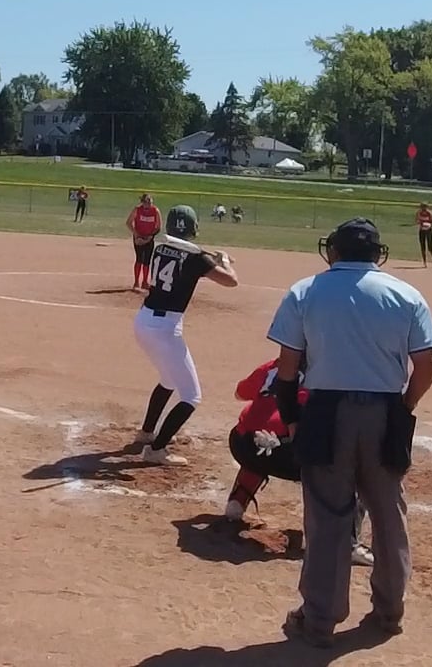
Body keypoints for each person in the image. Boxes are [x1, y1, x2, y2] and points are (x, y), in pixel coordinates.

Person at [267, 217, 432, 648]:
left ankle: (320, 620)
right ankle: (389, 611)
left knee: (328, 518)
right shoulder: (407, 294)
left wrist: (292, 418)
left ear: (334, 251)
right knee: (389, 515)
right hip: (385, 409)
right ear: (377, 254)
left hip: (326, 412)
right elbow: (425, 368)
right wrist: (402, 409)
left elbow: (287, 368)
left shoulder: (305, 291)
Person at [223, 355, 374, 567]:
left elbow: (240, 393)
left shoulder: (274, 366)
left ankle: (237, 502)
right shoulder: (328, 371)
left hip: (241, 444)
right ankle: (348, 544)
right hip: (287, 453)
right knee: (354, 467)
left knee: (260, 441)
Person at [133, 205, 239, 464]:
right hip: (165, 328)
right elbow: (231, 281)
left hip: (144, 321)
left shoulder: (160, 248)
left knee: (168, 379)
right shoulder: (197, 258)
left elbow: (186, 262)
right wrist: (224, 260)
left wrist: (207, 260)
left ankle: (146, 433)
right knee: (192, 396)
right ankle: (155, 450)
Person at [125, 192, 163, 291]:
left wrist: (151, 236)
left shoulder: (155, 211)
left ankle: (145, 282)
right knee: (139, 259)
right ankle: (136, 282)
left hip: (149, 238)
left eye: (150, 202)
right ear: (143, 202)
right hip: (139, 237)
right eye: (147, 202)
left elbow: (159, 227)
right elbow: (128, 222)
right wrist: (136, 234)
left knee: (147, 260)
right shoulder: (137, 210)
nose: (149, 204)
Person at [414, 204, 432, 268]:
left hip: (428, 231)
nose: (423, 208)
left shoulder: (430, 213)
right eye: (422, 207)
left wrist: (429, 225)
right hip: (422, 231)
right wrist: (419, 222)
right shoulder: (419, 212)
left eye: (424, 207)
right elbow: (416, 220)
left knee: (430, 247)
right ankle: (425, 262)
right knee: (422, 247)